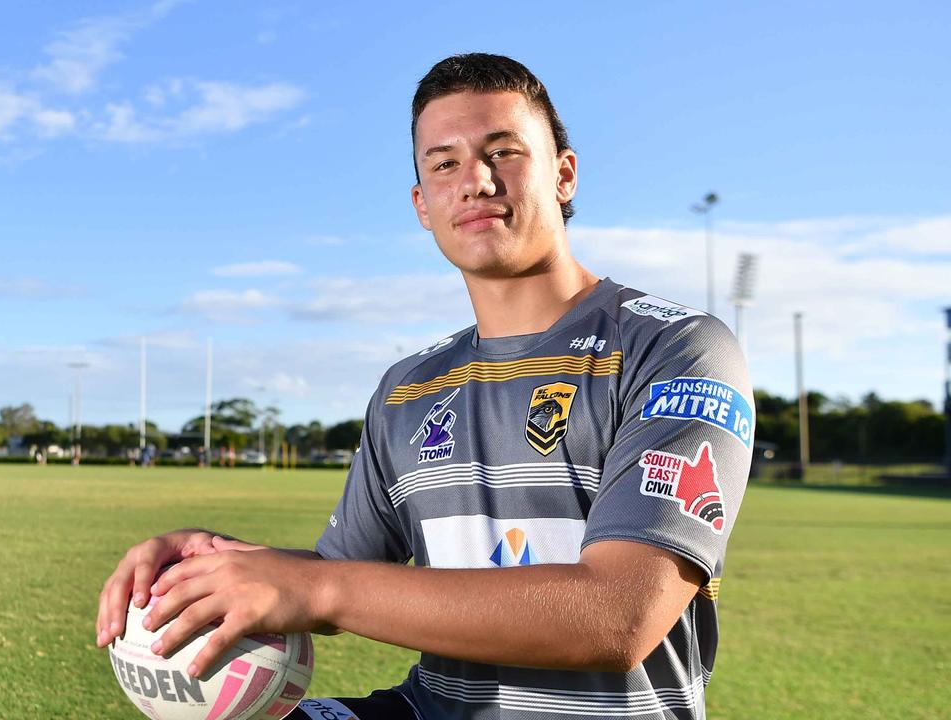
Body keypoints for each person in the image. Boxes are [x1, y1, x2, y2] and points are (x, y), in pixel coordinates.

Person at [96, 53, 753, 720]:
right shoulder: (408, 390)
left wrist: (313, 586)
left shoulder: (673, 348)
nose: (475, 181)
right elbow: (339, 570)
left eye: (504, 152)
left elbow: (617, 617)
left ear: (564, 173)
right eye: (444, 164)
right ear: (422, 205)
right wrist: (216, 563)